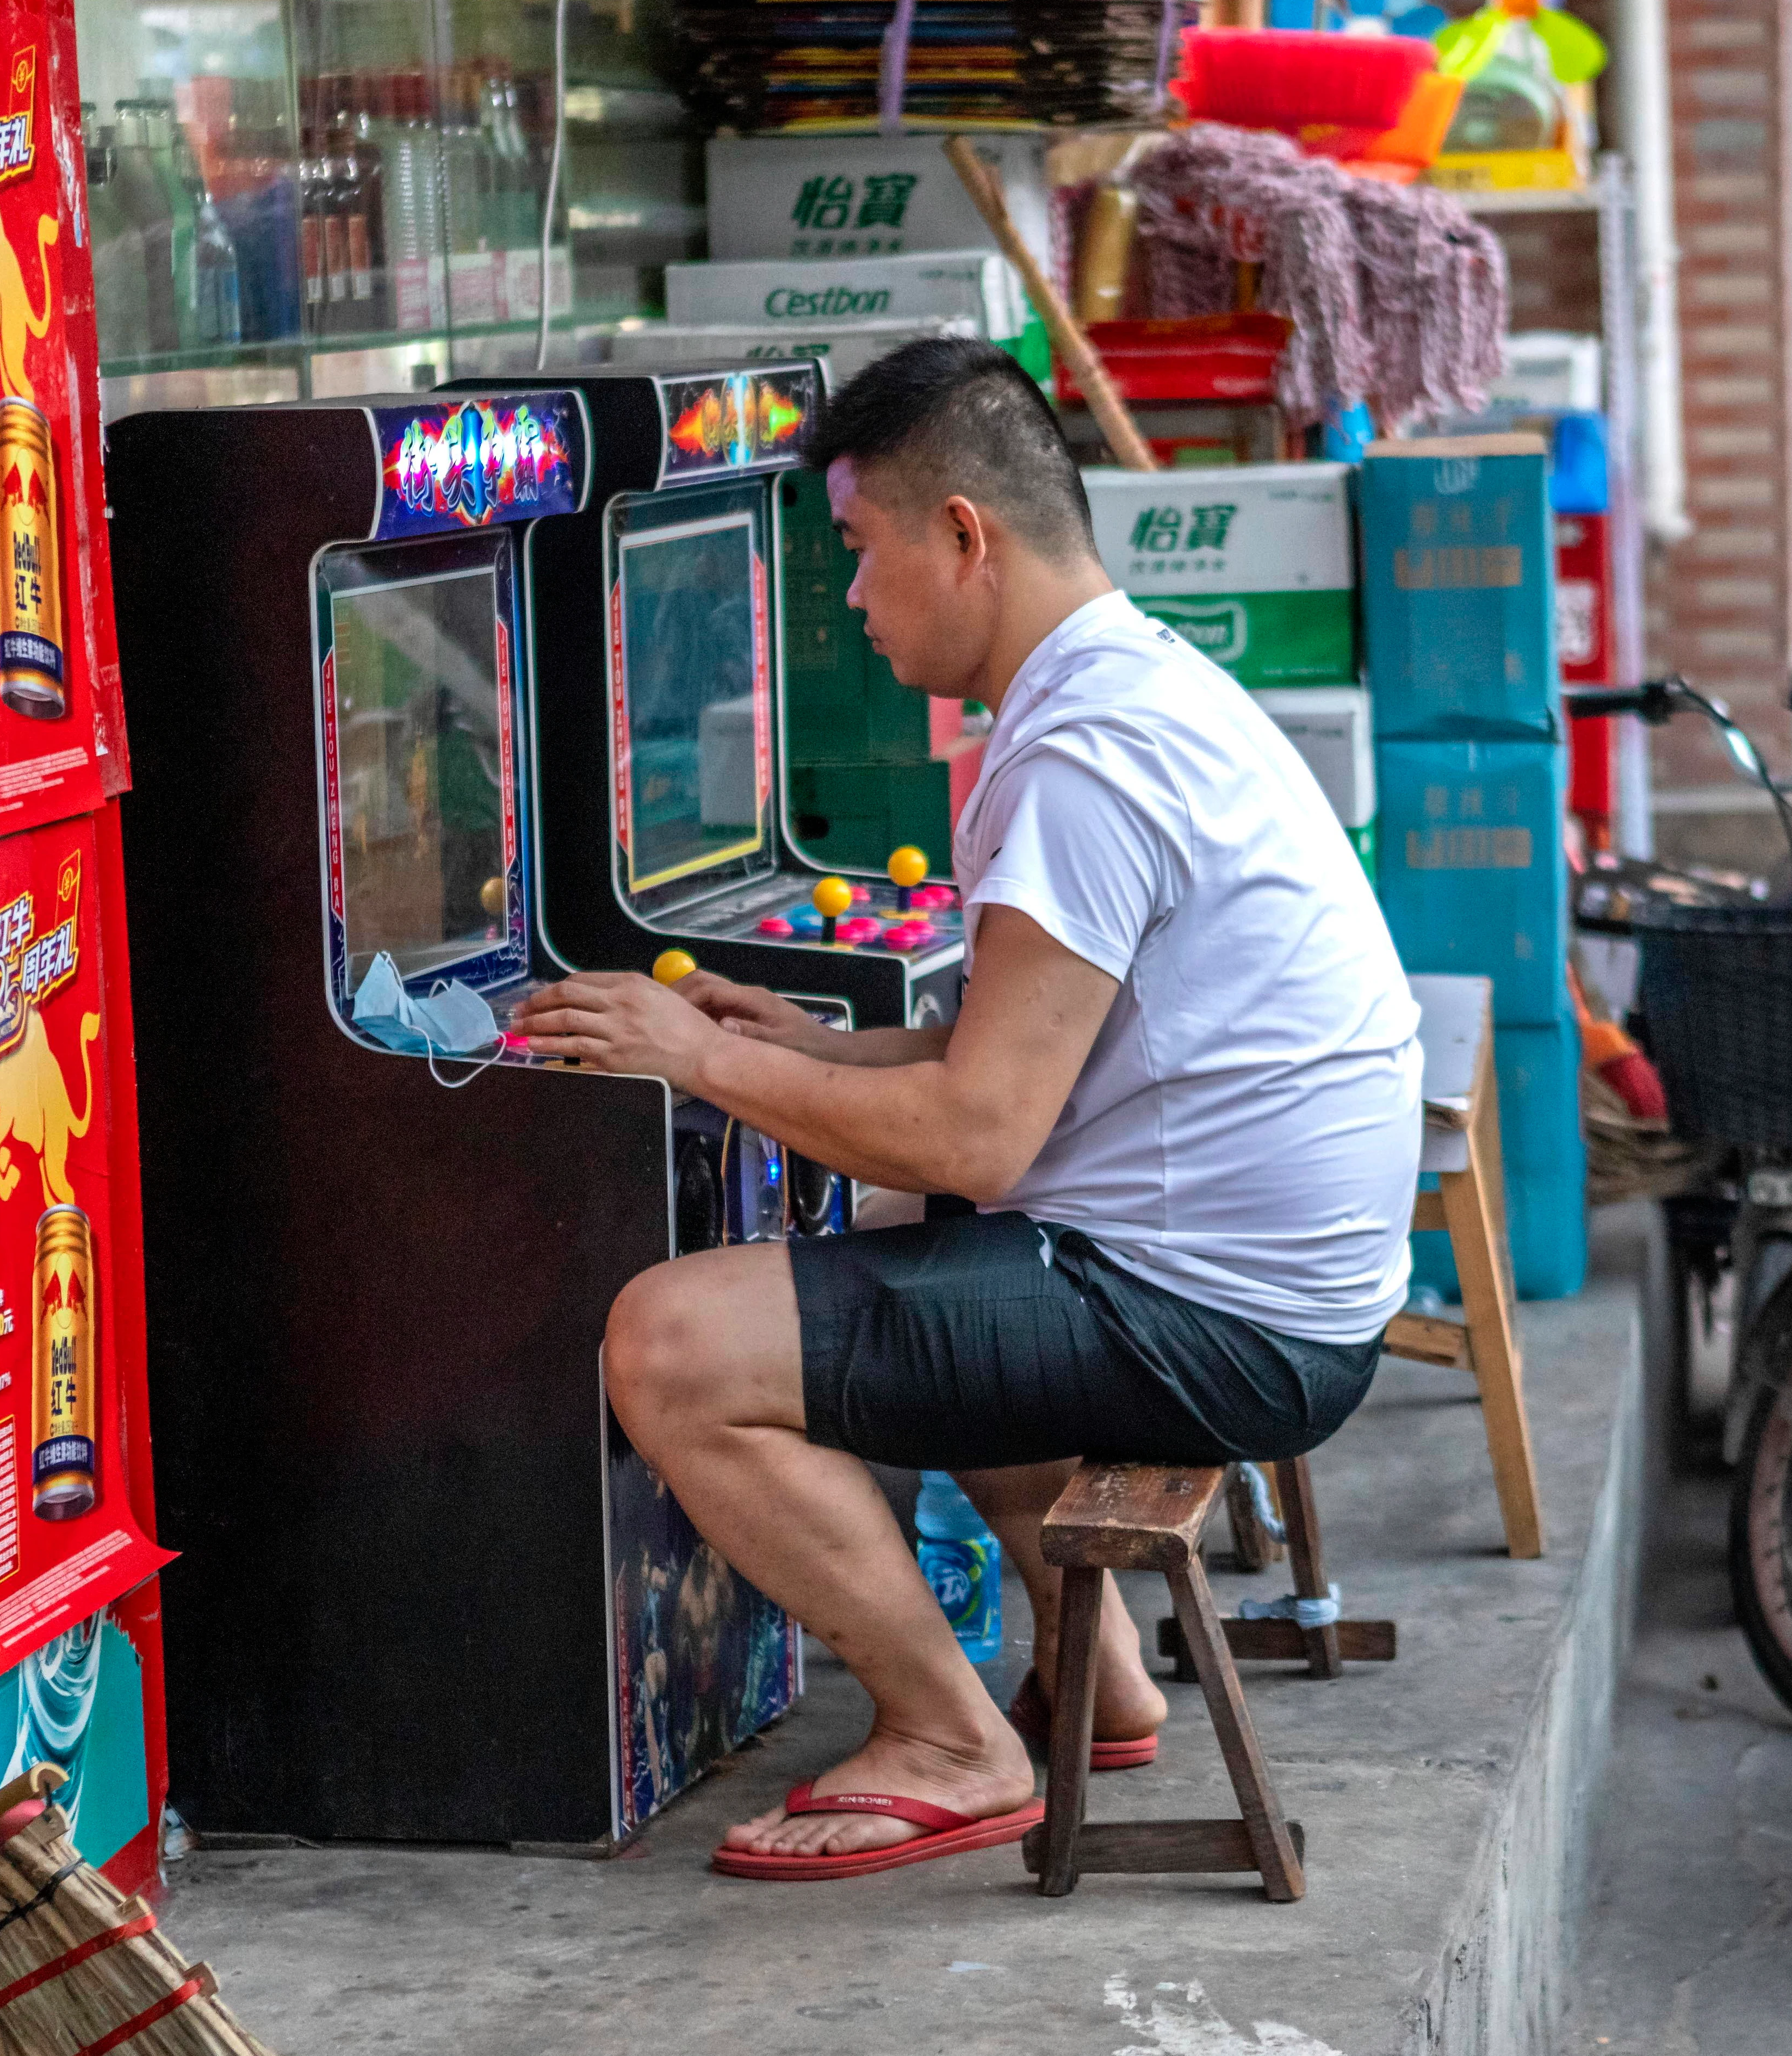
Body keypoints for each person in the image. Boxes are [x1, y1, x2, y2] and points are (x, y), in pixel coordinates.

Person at [507, 339, 1421, 1880]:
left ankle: (947, 1736)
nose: (853, 602)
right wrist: (811, 1042)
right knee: (916, 1231)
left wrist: (706, 1057)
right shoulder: (1129, 681)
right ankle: (1104, 1676)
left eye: (860, 552)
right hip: (1273, 1288)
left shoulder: (1082, 754)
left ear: (962, 536)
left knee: (669, 1340)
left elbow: (982, 1135)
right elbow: (1010, 1058)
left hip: (1234, 1322)